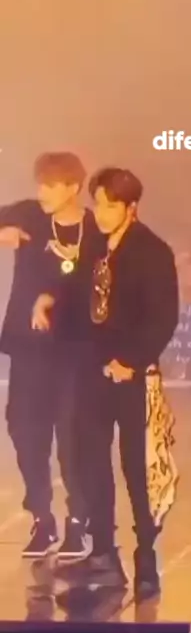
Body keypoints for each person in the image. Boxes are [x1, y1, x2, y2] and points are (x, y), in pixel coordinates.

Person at [33, 168, 179, 597]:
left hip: (131, 375)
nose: (100, 213)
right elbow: (79, 290)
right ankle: (103, 554)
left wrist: (131, 360)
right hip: (92, 371)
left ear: (131, 208)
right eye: (97, 204)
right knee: (91, 462)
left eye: (110, 205)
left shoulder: (152, 251)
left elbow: (163, 317)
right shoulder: (95, 244)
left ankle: (146, 560)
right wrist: (51, 299)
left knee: (138, 470)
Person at [0, 152, 104, 558]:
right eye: (40, 183)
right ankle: (42, 519)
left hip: (75, 349)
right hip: (29, 349)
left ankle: (79, 521)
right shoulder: (29, 215)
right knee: (25, 431)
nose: (42, 192)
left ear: (73, 187)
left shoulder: (94, 228)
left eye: (51, 185)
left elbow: (92, 281)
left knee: (73, 436)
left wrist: (50, 297)